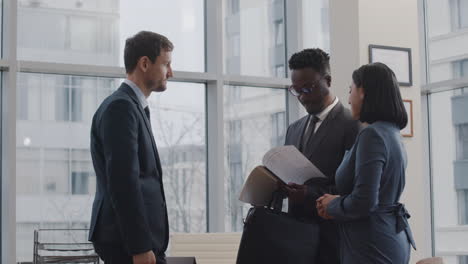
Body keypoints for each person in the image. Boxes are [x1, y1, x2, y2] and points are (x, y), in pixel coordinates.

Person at [316, 62, 417, 264]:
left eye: (350, 90)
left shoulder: (372, 135)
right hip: (387, 235)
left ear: (362, 91)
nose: (349, 98)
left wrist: (332, 204)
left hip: (371, 244)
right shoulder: (392, 132)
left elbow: (365, 201)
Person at [88, 31, 174, 264]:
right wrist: (139, 247)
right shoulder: (121, 108)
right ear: (144, 63)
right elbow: (123, 181)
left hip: (135, 243)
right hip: (129, 245)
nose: (171, 73)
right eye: (166, 64)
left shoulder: (132, 107)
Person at [283, 48, 362, 264]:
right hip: (295, 241)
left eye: (308, 88)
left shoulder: (353, 126)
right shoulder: (294, 129)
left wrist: (309, 194)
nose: (302, 97)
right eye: (295, 90)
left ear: (327, 80)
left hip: (332, 241)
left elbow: (355, 190)